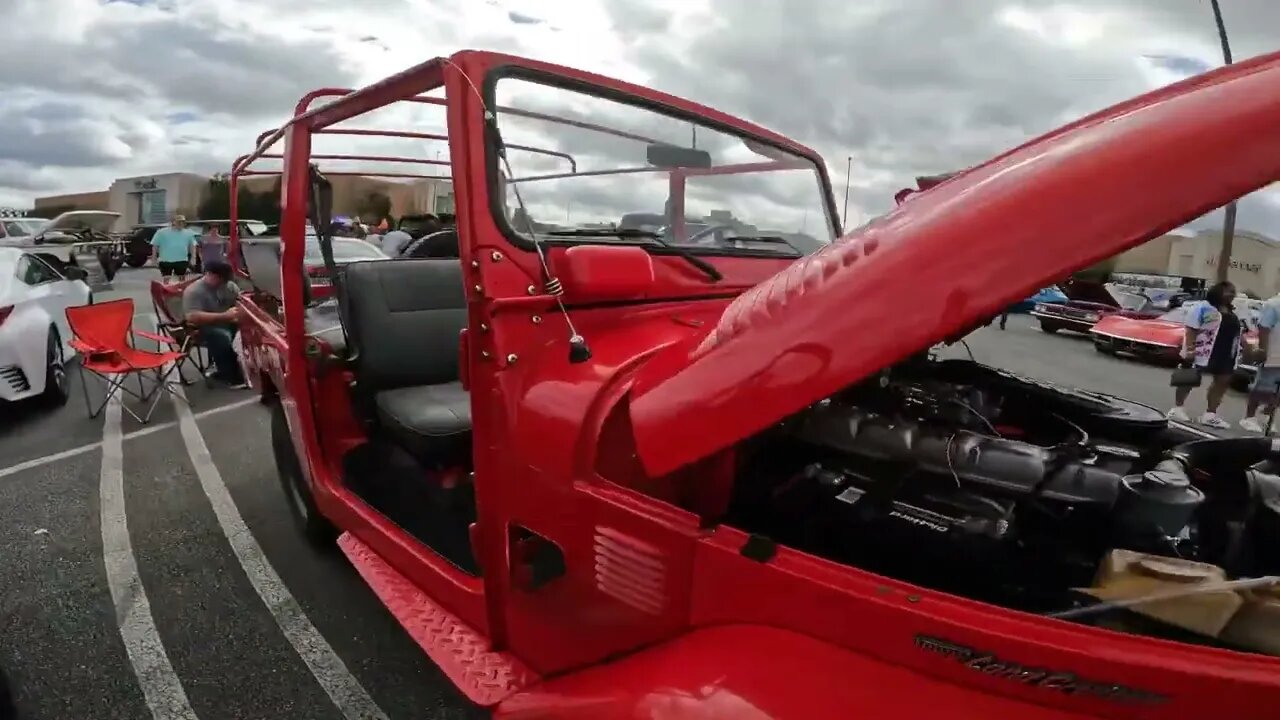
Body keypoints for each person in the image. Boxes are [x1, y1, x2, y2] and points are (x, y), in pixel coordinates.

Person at [1169, 281, 1243, 428]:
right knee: (1189, 378)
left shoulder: (1233, 312)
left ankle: (1210, 414)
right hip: (1202, 350)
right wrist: (1190, 349)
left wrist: (1247, 348)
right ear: (1218, 292)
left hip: (1225, 352)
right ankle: (1177, 408)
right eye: (1228, 291)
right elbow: (1191, 328)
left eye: (1233, 292)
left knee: (1222, 381)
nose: (1231, 294)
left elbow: (1239, 333)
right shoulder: (1202, 307)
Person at [183, 260, 247, 388]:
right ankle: (232, 376)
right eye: (220, 279)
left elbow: (241, 302)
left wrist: (239, 313)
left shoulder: (229, 286)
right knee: (221, 336)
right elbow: (192, 317)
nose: (222, 283)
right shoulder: (194, 291)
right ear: (209, 274)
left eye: (225, 280)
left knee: (247, 331)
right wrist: (224, 316)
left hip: (227, 322)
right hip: (201, 327)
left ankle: (245, 369)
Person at [1241, 292, 1280, 432]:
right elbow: (1264, 328)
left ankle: (1267, 416)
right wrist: (1263, 349)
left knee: (1277, 392)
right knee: (1261, 389)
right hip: (1274, 353)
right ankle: (1249, 417)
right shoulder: (1274, 304)